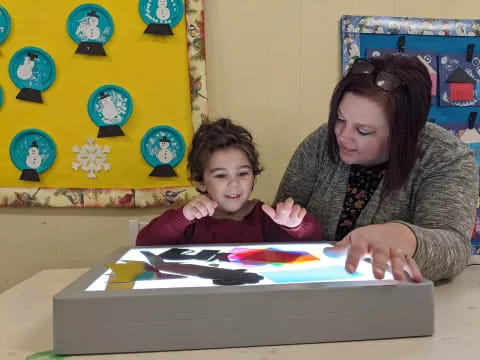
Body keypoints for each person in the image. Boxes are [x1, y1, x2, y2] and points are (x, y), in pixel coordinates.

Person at [274, 54, 478, 282]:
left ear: (404, 133)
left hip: (395, 303)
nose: (343, 135)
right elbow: (277, 226)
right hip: (311, 290)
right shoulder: (322, 142)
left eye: (364, 131)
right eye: (339, 119)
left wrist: (402, 236)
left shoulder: (445, 157)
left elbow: (454, 249)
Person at [137, 118, 322, 246]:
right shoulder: (191, 220)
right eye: (220, 175)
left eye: (243, 173)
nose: (234, 184)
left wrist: (295, 225)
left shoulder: (266, 217)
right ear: (200, 181)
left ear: (253, 177)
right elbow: (144, 242)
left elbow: (314, 237)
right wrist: (182, 217)